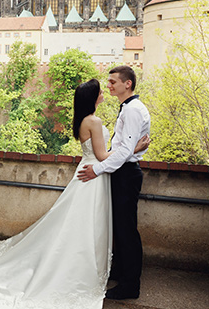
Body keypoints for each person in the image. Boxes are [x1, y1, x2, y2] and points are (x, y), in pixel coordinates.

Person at [0, 78, 149, 309]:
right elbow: (103, 156)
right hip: (93, 175)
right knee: (86, 224)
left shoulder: (82, 120)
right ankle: (82, 267)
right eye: (100, 91)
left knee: (77, 223)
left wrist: (120, 150)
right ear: (93, 98)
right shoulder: (94, 120)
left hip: (86, 172)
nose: (104, 93)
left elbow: (100, 153)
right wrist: (134, 149)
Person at [77, 65, 150, 301]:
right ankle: (119, 271)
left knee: (127, 229)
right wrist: (132, 149)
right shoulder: (127, 108)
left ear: (127, 84)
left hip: (127, 173)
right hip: (120, 170)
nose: (108, 86)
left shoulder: (132, 111)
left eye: (113, 82)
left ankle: (130, 285)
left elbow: (123, 151)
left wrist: (97, 170)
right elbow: (123, 149)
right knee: (118, 227)